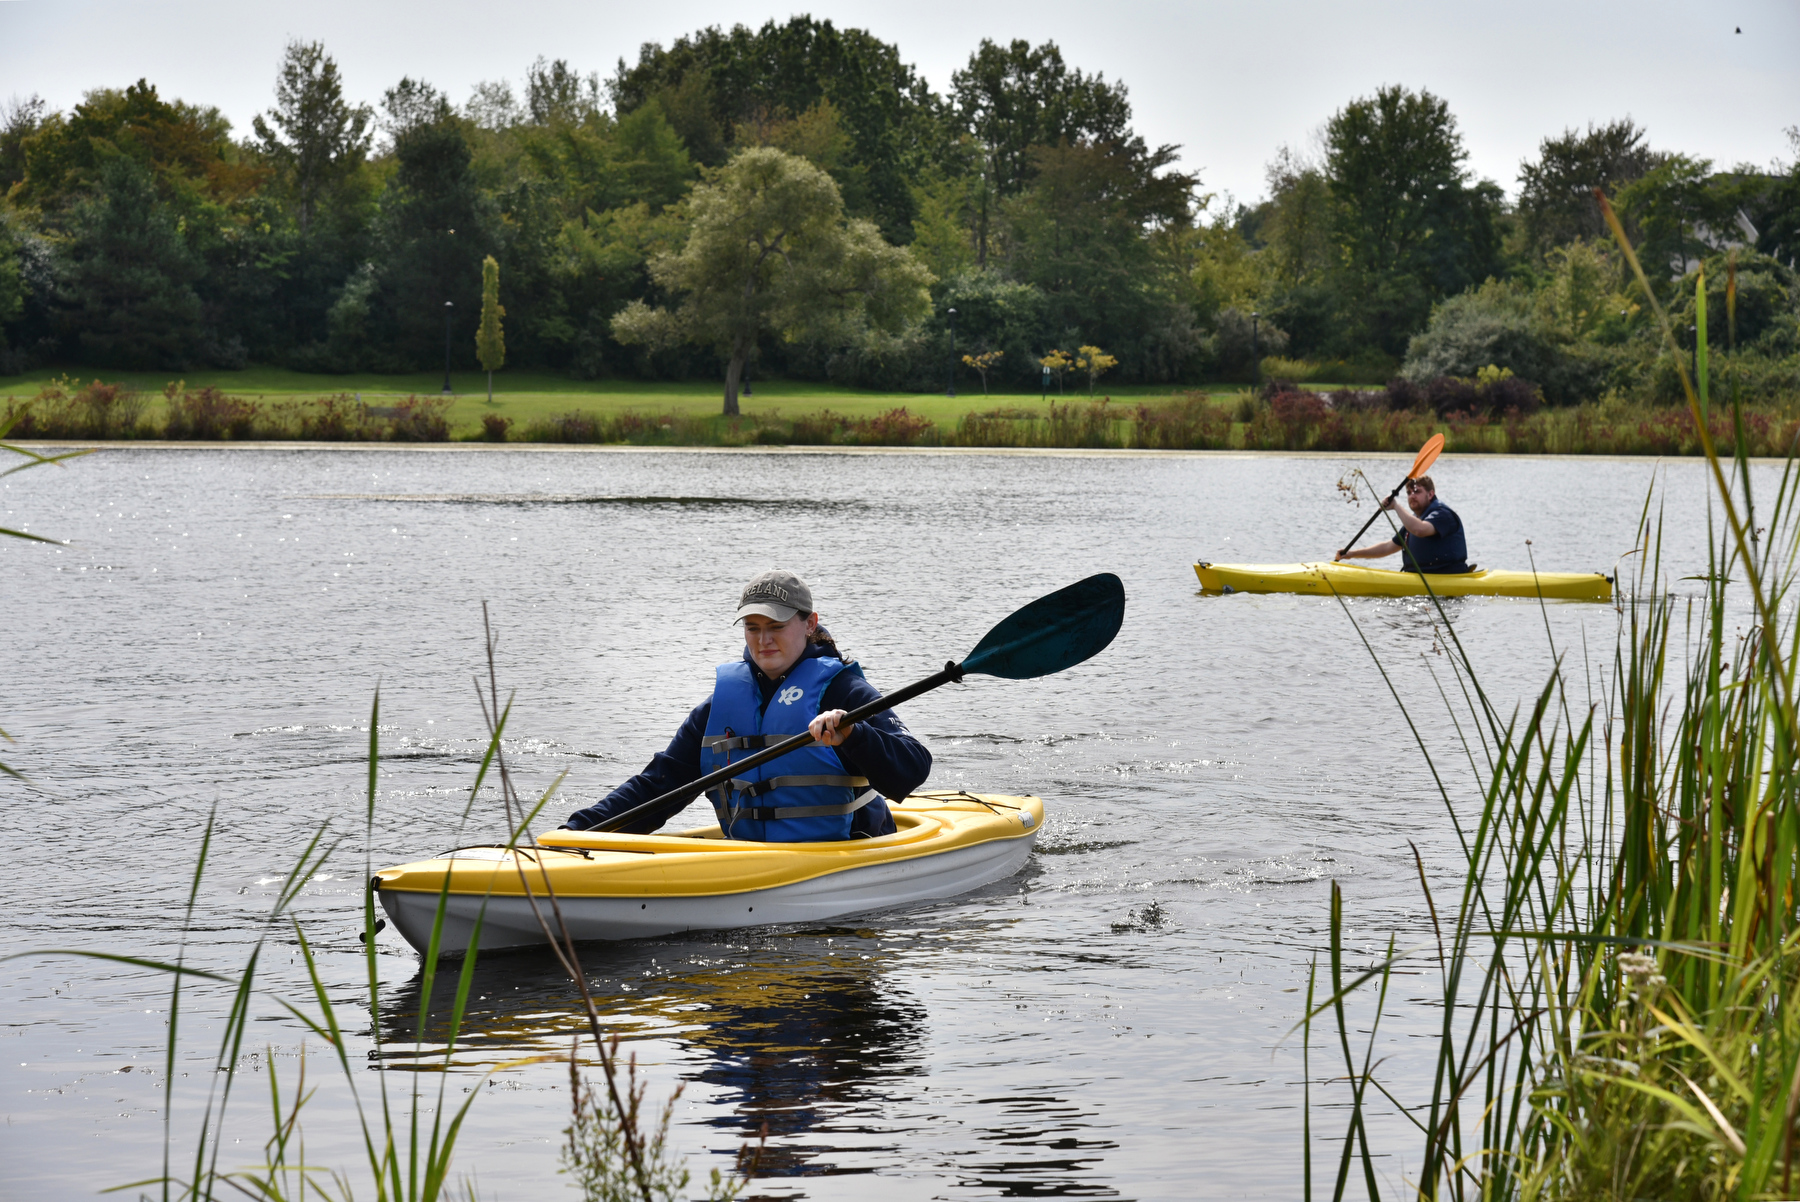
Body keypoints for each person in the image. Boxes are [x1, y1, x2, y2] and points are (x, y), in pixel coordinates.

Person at [562, 570, 931, 841]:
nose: (763, 640)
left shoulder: (845, 693)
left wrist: (853, 733)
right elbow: (659, 785)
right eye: (752, 627)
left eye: (775, 625)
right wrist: (577, 831)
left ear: (809, 624)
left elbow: (913, 769)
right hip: (751, 859)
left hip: (849, 853)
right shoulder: (720, 706)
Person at [1333, 475, 1471, 573]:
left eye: (1417, 491)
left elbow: (1420, 530)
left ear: (1430, 494)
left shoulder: (1443, 514)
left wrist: (1395, 506)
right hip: (1421, 578)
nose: (1412, 496)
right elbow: (1388, 547)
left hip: (1448, 577)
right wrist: (1351, 554)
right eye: (1409, 492)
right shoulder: (1413, 521)